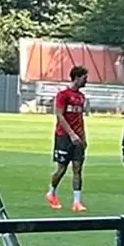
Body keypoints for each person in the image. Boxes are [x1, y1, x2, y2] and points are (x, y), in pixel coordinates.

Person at [46, 65, 89, 212]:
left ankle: (77, 202)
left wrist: (83, 137)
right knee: (62, 168)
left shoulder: (81, 97)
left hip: (78, 138)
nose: (86, 81)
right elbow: (59, 116)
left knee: (78, 168)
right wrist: (71, 134)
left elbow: (80, 118)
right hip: (64, 137)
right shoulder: (63, 95)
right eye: (84, 78)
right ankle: (51, 192)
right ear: (77, 78)